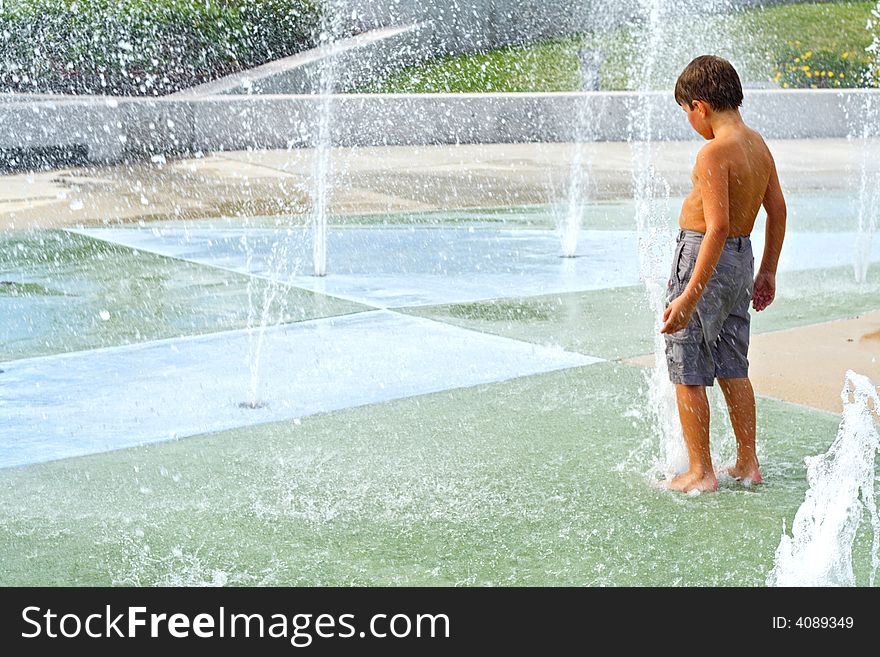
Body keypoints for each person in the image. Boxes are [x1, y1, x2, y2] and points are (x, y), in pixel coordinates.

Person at [660, 55, 787, 493]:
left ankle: (700, 472)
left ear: (700, 106)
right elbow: (777, 211)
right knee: (733, 363)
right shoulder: (757, 144)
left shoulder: (713, 152)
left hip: (704, 258)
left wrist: (688, 296)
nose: (690, 122)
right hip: (742, 259)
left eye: (687, 114)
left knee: (686, 363)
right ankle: (747, 463)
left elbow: (715, 227)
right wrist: (767, 270)